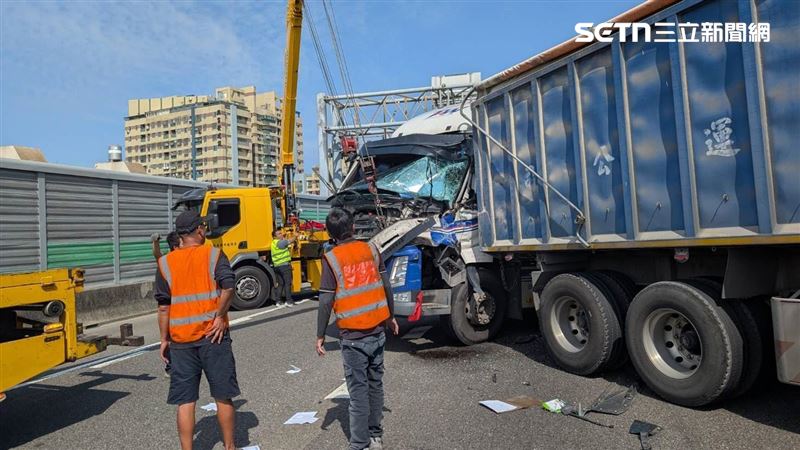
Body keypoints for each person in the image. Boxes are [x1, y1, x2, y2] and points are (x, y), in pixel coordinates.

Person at [155, 210, 240, 450]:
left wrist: (164, 339)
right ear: (200, 230)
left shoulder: (165, 263)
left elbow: (163, 307)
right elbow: (229, 286)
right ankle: (229, 447)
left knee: (185, 401)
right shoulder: (213, 254)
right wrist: (220, 316)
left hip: (180, 341)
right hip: (214, 336)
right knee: (222, 395)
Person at [316, 208, 399, 450]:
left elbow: (325, 301)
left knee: (358, 391)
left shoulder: (331, 259)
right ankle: (375, 436)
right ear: (353, 227)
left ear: (331, 234)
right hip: (377, 331)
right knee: (375, 385)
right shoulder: (371, 250)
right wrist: (391, 316)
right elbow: (386, 284)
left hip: (353, 336)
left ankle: (359, 443)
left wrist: (320, 335)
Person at [271, 227, 296, 307]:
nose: (281, 234)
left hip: (277, 266)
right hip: (284, 266)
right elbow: (290, 241)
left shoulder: (273, 243)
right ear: (275, 236)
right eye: (279, 234)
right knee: (287, 283)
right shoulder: (279, 243)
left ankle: (278, 301)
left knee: (281, 284)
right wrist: (295, 236)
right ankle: (289, 301)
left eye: (281, 233)